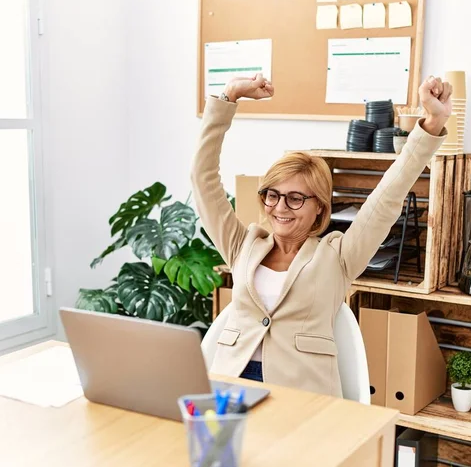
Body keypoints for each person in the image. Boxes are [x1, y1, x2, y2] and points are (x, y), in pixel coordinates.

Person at [191, 74, 451, 397]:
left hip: (300, 397)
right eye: (272, 195)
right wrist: (228, 97)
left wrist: (431, 123)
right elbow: (202, 179)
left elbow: (387, 197)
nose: (280, 207)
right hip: (230, 386)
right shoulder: (243, 245)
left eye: (295, 198)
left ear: (320, 208)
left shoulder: (338, 257)